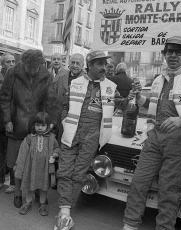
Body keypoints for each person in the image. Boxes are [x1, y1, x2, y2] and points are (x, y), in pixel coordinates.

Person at [122, 36, 181, 230]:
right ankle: (129, 225)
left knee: (168, 193)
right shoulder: (158, 79)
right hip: (155, 138)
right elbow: (153, 105)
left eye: (178, 52)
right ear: (164, 55)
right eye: (169, 51)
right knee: (138, 184)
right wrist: (139, 98)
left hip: (180, 141)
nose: (173, 55)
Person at [54, 50, 129, 230]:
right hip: (72, 133)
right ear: (90, 65)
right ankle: (64, 211)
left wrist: (131, 97)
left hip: (92, 136)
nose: (104, 67)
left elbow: (122, 105)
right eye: (100, 64)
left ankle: (66, 212)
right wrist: (66, 122)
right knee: (64, 171)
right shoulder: (76, 82)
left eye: (105, 64)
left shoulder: (111, 86)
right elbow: (64, 106)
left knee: (79, 174)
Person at [0, 49, 60, 208]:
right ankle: (18, 193)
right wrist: (7, 120)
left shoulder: (46, 76)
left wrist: (51, 122)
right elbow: (4, 97)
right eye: (29, 67)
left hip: (37, 126)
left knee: (36, 161)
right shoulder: (12, 72)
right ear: (24, 63)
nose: (32, 70)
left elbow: (51, 101)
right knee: (16, 163)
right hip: (15, 123)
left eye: (36, 67)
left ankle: (38, 191)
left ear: (41, 64)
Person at [14, 112, 59, 216]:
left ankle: (43, 204)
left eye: (43, 125)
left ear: (48, 126)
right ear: (34, 125)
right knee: (30, 185)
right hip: (31, 168)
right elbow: (22, 152)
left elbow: (57, 148)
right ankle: (28, 203)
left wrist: (55, 154)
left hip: (44, 168)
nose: (40, 128)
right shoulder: (30, 138)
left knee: (44, 187)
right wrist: (19, 166)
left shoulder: (51, 138)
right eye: (37, 125)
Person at [0, 52, 16, 192]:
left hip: (12, 122)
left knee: (12, 155)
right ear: (2, 64)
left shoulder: (17, 79)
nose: (12, 64)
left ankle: (13, 182)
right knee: (0, 154)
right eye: (8, 62)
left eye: (13, 61)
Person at [53, 53, 84, 142]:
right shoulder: (60, 77)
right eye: (73, 63)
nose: (74, 66)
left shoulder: (86, 80)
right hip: (59, 118)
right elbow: (53, 97)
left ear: (82, 65)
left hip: (76, 120)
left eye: (78, 63)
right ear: (69, 64)